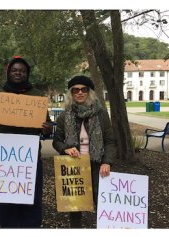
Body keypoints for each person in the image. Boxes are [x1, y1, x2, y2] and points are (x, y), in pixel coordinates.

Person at [0, 56, 52, 228]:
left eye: (22, 70)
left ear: (27, 74)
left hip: (30, 161)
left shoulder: (37, 96)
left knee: (32, 203)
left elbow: (47, 126)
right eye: (14, 70)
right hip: (3, 160)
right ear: (8, 73)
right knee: (6, 206)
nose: (18, 72)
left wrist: (47, 129)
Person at [53, 75, 115, 228]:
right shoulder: (64, 115)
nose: (79, 93)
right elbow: (56, 141)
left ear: (90, 92)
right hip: (74, 167)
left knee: (102, 203)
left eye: (83, 89)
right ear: (71, 93)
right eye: (75, 90)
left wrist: (107, 162)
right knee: (75, 207)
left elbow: (109, 141)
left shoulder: (101, 114)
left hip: (97, 165)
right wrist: (65, 149)